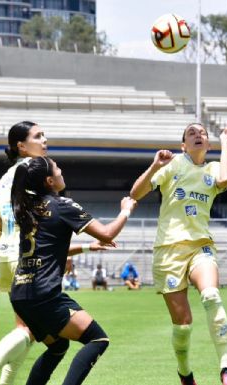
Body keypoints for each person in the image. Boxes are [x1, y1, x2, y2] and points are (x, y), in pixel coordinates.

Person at [0, 122, 107, 385]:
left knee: (31, 332)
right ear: (21, 145)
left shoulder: (7, 176)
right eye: (38, 136)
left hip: (8, 250)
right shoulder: (34, 170)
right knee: (27, 331)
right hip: (27, 254)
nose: (44, 140)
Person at [9, 156, 137, 384]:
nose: (61, 170)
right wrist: (125, 211)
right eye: (57, 168)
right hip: (44, 294)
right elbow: (107, 233)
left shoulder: (29, 207)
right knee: (98, 339)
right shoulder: (62, 205)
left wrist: (88, 247)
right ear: (49, 180)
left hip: (20, 294)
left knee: (58, 346)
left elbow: (49, 247)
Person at [130, 122, 227, 385]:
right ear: (183, 145)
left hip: (200, 245)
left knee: (211, 295)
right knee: (183, 325)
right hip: (168, 250)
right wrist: (156, 165)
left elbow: (225, 179)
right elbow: (135, 193)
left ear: (208, 144)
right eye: (191, 133)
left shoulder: (213, 169)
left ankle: (226, 367)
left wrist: (225, 139)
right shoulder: (174, 164)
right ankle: (185, 372)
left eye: (202, 133)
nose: (198, 135)